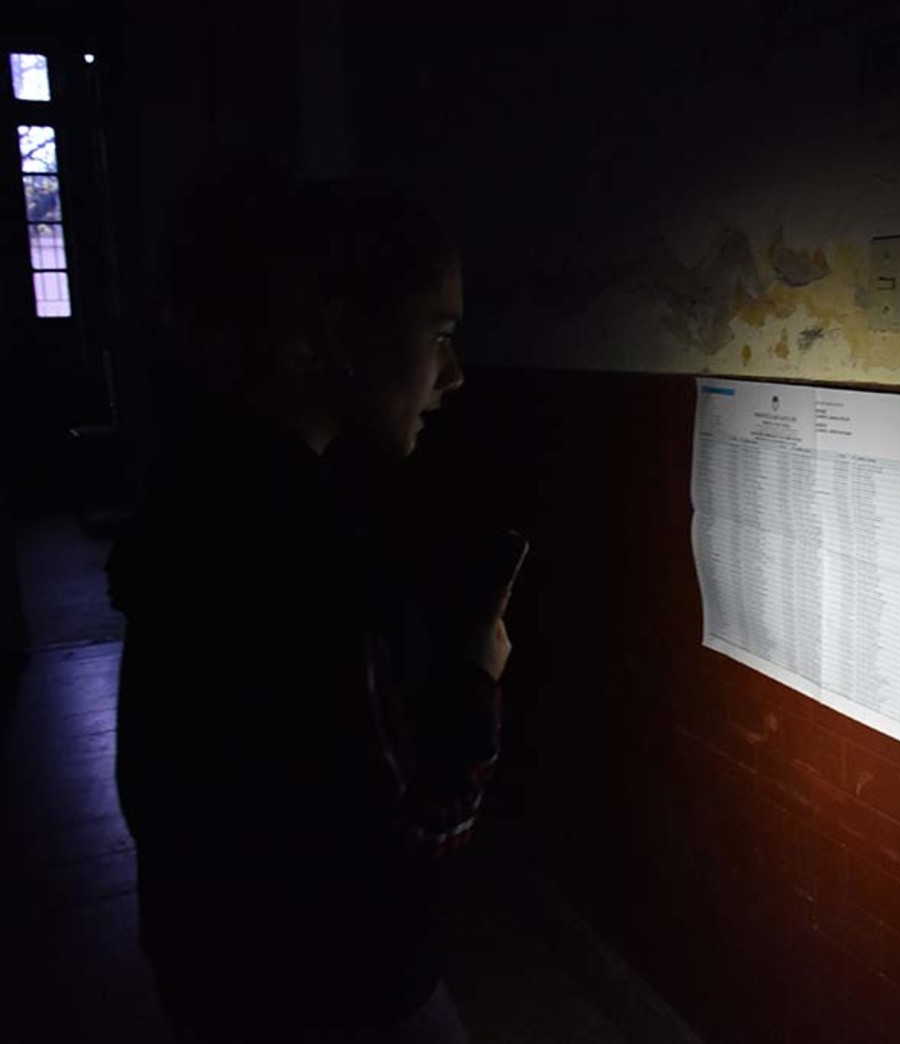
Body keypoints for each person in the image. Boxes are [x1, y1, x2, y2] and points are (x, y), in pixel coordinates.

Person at [107, 167, 514, 1043]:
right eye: (438, 333)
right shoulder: (301, 552)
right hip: (337, 988)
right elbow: (406, 837)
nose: (453, 374)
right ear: (335, 337)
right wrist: (477, 680)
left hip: (210, 966)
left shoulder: (198, 493)